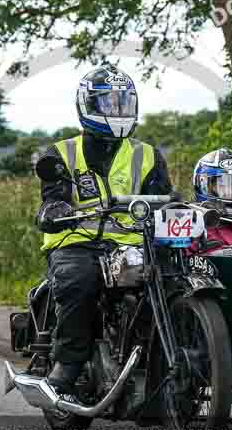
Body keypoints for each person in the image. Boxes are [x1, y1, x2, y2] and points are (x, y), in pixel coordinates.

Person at [35, 64, 174, 393]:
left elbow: (165, 198)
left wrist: (175, 207)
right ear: (88, 106)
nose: (118, 111)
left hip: (135, 245)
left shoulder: (149, 156)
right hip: (77, 241)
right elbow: (52, 196)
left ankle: (172, 355)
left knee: (173, 277)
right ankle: (68, 361)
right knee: (78, 280)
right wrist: (54, 208)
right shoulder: (61, 153)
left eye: (124, 103)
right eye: (110, 104)